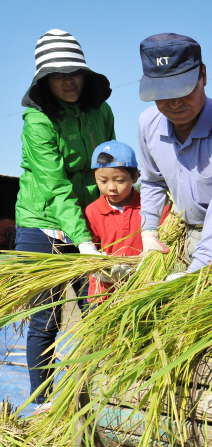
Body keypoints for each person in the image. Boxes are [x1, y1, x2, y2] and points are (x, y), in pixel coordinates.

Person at [15, 29, 115, 411]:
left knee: (98, 310)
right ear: (44, 80)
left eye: (74, 72)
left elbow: (110, 171)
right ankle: (42, 405)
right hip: (42, 223)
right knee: (46, 320)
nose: (69, 81)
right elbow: (56, 187)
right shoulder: (37, 121)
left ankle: (94, 399)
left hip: (88, 222)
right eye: (58, 75)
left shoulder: (101, 111)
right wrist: (84, 241)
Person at [137, 33, 212, 274]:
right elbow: (152, 182)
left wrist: (197, 272)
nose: (174, 103)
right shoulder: (148, 124)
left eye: (183, 89)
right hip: (189, 231)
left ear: (203, 75)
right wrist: (149, 232)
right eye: (163, 93)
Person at [85, 141, 142, 303]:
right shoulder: (92, 211)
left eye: (119, 181)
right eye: (103, 181)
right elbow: (90, 251)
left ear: (135, 177)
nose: (111, 188)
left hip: (141, 290)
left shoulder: (150, 208)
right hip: (102, 295)